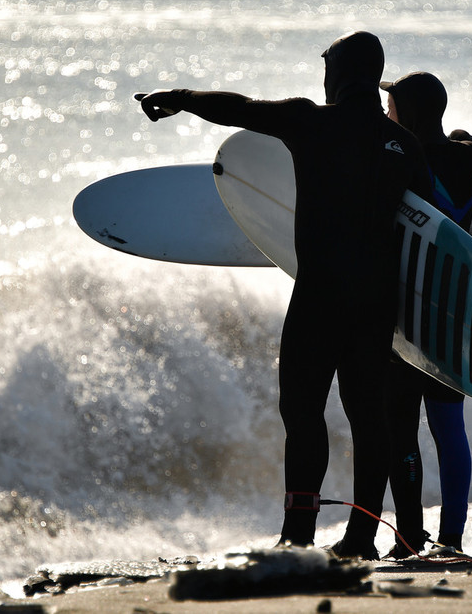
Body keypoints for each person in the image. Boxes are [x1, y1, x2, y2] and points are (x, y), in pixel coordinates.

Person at [136, 32, 429, 560]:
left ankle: (298, 532)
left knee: (302, 411)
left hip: (321, 294)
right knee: (369, 416)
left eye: (327, 68)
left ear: (337, 73)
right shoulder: (405, 145)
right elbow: (432, 230)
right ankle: (363, 535)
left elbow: (238, 110)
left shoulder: (310, 120)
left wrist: (180, 97)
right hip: (376, 299)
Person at [379, 71, 472, 558]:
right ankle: (453, 536)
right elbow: (462, 136)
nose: (386, 111)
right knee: (449, 427)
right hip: (456, 307)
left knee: (400, 424)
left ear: (409, 112)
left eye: (392, 103)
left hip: (406, 305)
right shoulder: (470, 157)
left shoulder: (399, 158)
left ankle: (408, 537)